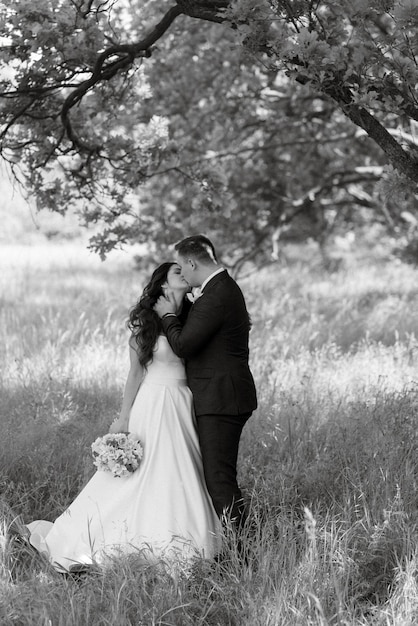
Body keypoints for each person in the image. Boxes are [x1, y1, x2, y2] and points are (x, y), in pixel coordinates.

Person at [25, 262, 221, 573]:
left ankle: (187, 541)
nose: (183, 273)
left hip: (184, 403)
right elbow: (134, 373)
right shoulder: (147, 322)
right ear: (162, 283)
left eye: (185, 270)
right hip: (152, 403)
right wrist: (123, 417)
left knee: (183, 470)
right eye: (176, 272)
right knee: (143, 472)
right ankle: (94, 539)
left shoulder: (194, 315)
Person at [154, 236, 257, 531]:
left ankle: (242, 553)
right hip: (220, 395)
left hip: (222, 398)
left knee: (219, 479)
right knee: (216, 476)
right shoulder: (218, 289)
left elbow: (184, 345)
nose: (183, 275)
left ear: (191, 262)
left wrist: (168, 315)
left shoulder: (217, 294)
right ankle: (234, 544)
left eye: (182, 268)